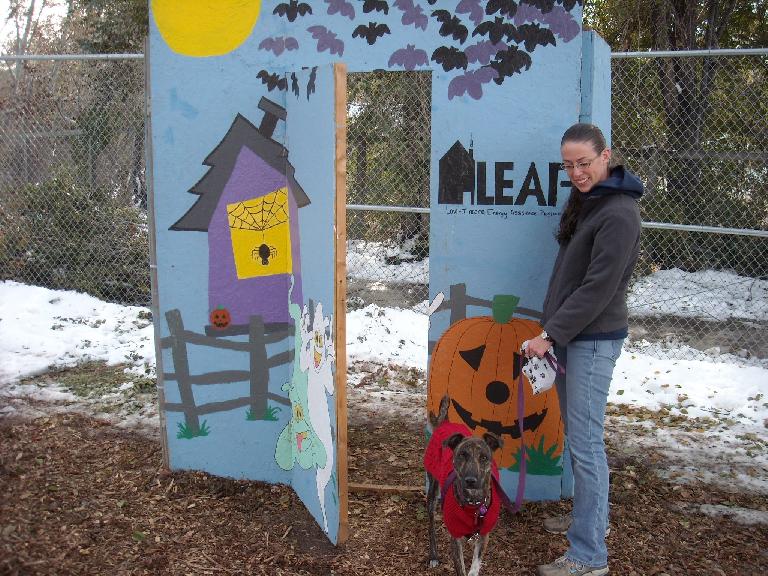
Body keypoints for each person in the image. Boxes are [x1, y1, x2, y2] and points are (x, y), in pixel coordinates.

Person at [525, 123, 643, 576]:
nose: (576, 172)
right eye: (568, 165)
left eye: (584, 163)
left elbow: (597, 289)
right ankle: (588, 523)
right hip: (573, 339)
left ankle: (589, 556)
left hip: (591, 342)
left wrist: (550, 335)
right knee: (580, 442)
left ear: (606, 155)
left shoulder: (618, 213)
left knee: (587, 447)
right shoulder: (591, 200)